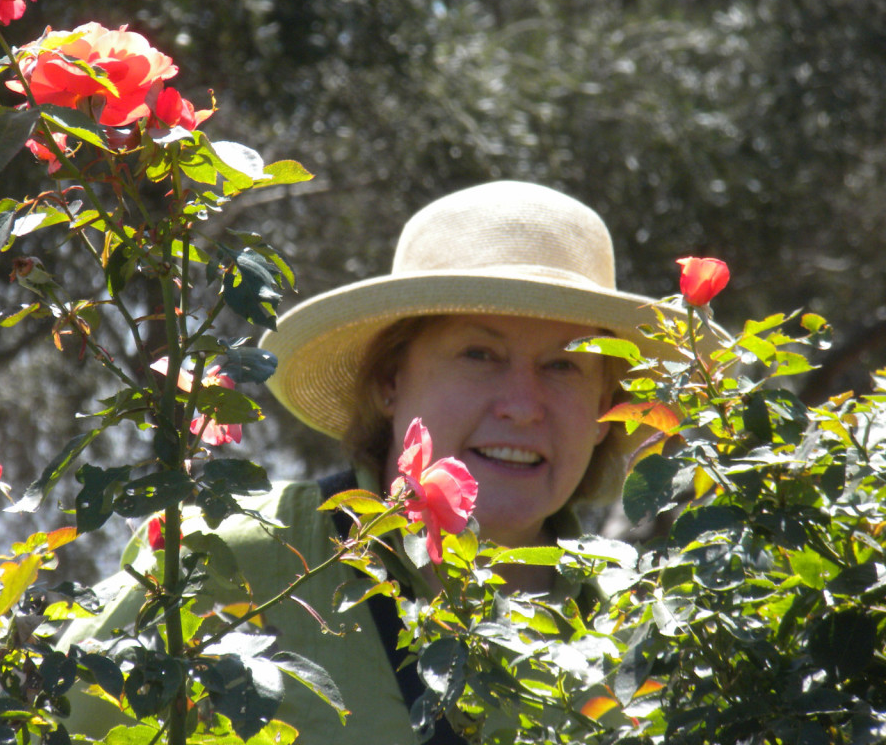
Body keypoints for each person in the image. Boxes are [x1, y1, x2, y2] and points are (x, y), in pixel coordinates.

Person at [58, 180, 685, 743]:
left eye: (563, 365)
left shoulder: (652, 640)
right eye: (479, 354)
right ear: (390, 379)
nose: (524, 406)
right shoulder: (234, 559)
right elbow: (53, 725)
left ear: (608, 405)